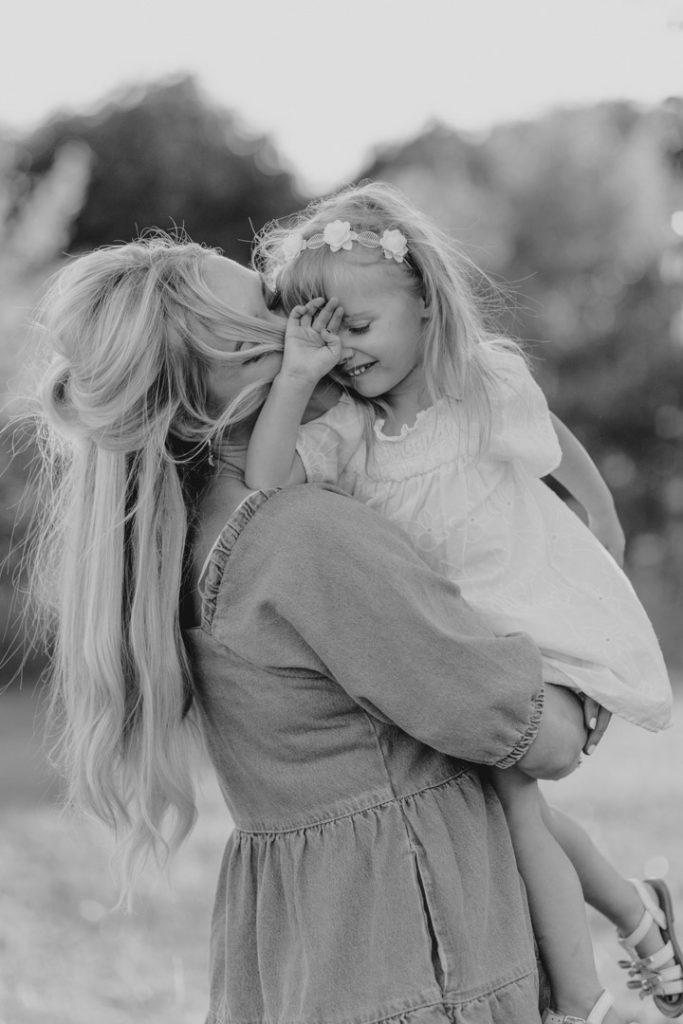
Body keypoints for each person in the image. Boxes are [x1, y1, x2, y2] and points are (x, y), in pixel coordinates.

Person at [27, 234, 613, 1024]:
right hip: (410, 950)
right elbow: (536, 734)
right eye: (271, 309)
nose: (308, 312)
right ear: (225, 380)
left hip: (315, 951)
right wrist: (595, 655)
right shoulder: (302, 536)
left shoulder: (189, 544)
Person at [245, 183, 682, 1024]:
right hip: (467, 669)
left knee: (513, 801)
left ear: (423, 309)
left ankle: (580, 998)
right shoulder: (346, 441)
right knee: (503, 805)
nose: (342, 354)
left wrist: (605, 523)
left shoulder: (483, 389)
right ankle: (639, 914)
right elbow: (265, 484)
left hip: (545, 648)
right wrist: (296, 380)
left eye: (358, 329)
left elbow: (559, 448)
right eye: (320, 339)